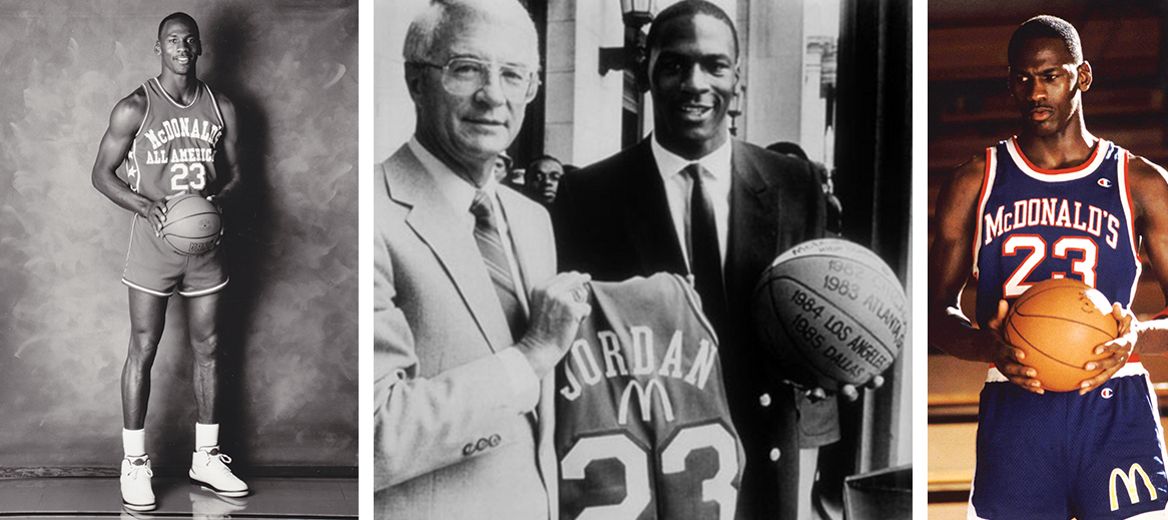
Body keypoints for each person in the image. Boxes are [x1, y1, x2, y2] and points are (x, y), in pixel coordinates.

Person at [553, 2, 878, 517]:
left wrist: (846, 356)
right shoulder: (587, 196)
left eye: (715, 65)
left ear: (737, 77)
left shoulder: (796, 184)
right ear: (647, 72)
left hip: (769, 455)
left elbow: (812, 318)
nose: (695, 82)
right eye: (675, 64)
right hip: (659, 465)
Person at [929, 15, 1168, 519]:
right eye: (1022, 77)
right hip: (1017, 401)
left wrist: (1134, 338)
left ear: (1081, 76)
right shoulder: (976, 180)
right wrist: (985, 344)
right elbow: (934, 314)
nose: (1035, 91)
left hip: (1113, 400)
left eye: (1050, 76)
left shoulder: (1140, 183)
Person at [373, 1, 591, 518]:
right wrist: (532, 353)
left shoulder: (533, 219)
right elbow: (376, 432)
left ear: (532, 90)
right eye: (466, 68)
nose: (493, 95)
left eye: (513, 75)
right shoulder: (367, 212)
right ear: (415, 80)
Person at [90, 12, 247, 512]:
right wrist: (145, 204)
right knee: (143, 344)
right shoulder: (135, 106)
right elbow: (101, 172)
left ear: (199, 48)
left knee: (211, 345)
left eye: (188, 39)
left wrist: (219, 200)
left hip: (205, 248)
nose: (181, 46)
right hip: (154, 246)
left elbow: (239, 173)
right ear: (158, 47)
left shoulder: (220, 106)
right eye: (172, 39)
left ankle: (207, 455)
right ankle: (134, 462)